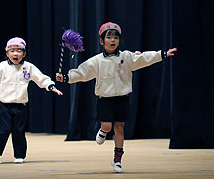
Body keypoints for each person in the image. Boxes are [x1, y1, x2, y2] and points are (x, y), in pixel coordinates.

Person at [56, 22, 177, 173]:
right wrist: (66, 77)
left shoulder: (126, 57)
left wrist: (162, 54)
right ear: (102, 41)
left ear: (119, 40)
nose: (112, 40)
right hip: (105, 100)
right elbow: (83, 72)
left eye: (116, 37)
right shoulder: (97, 60)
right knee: (107, 126)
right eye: (109, 37)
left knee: (119, 128)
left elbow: (144, 58)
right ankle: (102, 131)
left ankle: (117, 161)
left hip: (122, 99)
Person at [0, 37, 63, 164]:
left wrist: (51, 86)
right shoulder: (3, 66)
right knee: (3, 130)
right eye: (12, 51)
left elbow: (41, 78)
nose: (15, 53)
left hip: (20, 106)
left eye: (19, 51)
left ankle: (19, 155)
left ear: (24, 54)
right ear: (7, 53)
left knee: (19, 131)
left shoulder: (28, 67)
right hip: (4, 105)